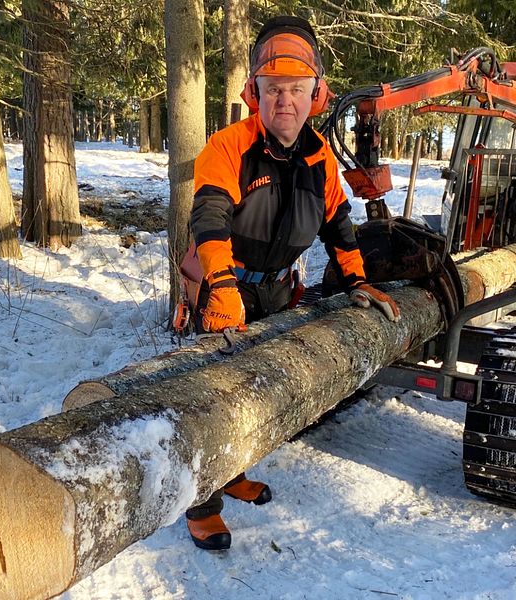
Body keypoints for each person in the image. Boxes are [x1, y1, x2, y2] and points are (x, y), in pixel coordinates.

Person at [186, 15, 400, 551]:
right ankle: (201, 505)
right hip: (226, 284)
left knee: (259, 392)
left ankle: (232, 472)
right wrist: (219, 283)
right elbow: (209, 216)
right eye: (274, 89)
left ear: (315, 96)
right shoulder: (227, 146)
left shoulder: (319, 158)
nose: (285, 101)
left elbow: (339, 225)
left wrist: (358, 279)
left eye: (296, 90)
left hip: (280, 290)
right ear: (254, 94)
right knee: (212, 396)